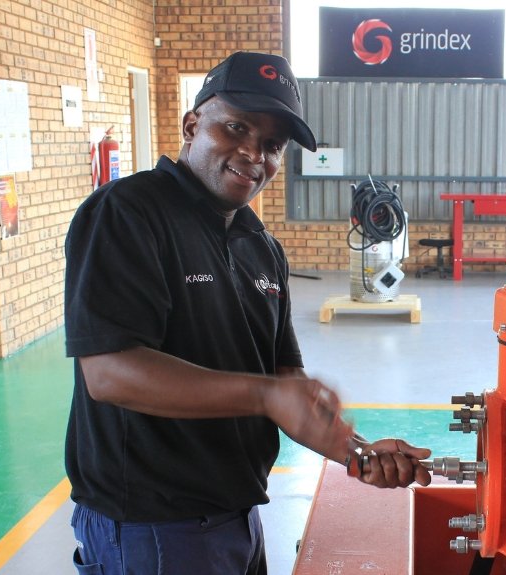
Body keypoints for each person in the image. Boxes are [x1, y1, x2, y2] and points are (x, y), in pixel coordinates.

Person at [64, 51, 432, 575]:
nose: (253, 154)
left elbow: (286, 382)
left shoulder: (260, 245)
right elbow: (110, 373)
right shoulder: (128, 213)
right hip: (151, 528)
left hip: (236, 515)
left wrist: (359, 452)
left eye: (272, 144)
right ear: (193, 125)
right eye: (235, 127)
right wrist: (267, 395)